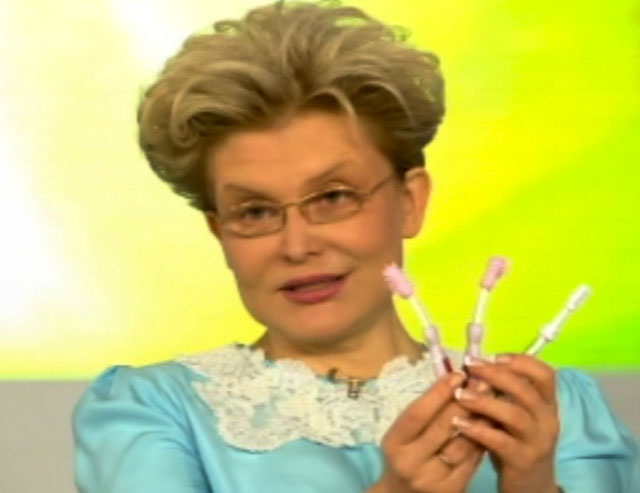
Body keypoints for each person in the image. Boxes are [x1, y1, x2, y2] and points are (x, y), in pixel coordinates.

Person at [72, 1, 640, 492]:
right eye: (256, 211)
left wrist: (531, 485)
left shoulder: (549, 411)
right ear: (220, 232)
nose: (297, 245)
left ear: (410, 201)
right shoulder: (151, 411)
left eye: (334, 197)